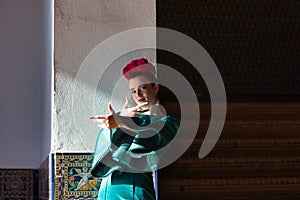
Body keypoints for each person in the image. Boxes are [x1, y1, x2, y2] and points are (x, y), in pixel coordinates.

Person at [89, 58, 179, 200]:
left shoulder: (168, 122)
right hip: (107, 189)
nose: (138, 95)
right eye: (133, 91)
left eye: (143, 87)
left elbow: (152, 141)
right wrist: (119, 122)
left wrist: (123, 124)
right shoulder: (124, 117)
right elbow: (105, 155)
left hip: (135, 189)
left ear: (155, 87)